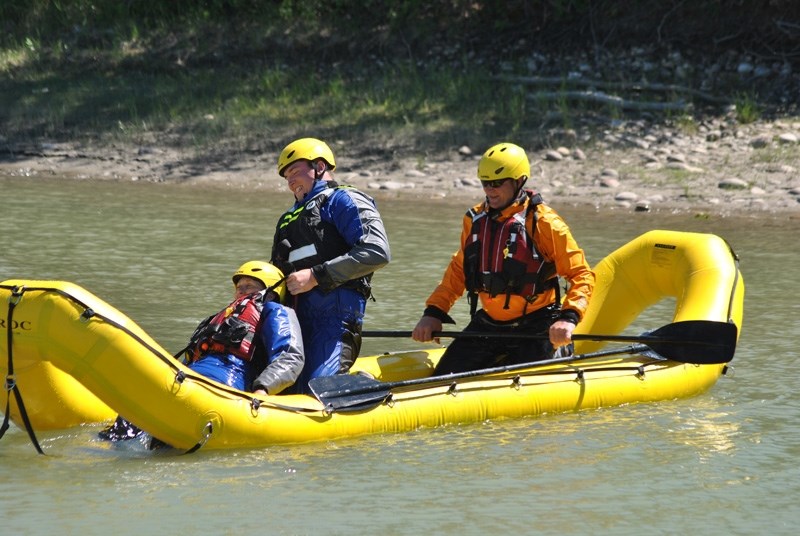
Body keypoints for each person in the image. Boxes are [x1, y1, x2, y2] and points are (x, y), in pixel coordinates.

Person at [411, 142, 595, 375]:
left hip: (537, 325)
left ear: (519, 181)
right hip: (489, 324)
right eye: (485, 182)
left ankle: (560, 350)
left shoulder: (545, 223)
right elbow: (459, 269)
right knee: (441, 378)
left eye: (497, 183)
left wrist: (569, 317)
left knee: (525, 380)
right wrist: (434, 312)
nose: (490, 189)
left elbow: (581, 274)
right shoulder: (475, 219)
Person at [99, 261, 304, 441]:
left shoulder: (276, 311)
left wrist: (263, 389)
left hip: (228, 380)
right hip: (192, 375)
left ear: (270, 291)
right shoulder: (222, 316)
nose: (241, 291)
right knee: (135, 406)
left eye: (249, 286)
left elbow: (290, 356)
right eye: (239, 287)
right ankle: (114, 443)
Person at [271, 137, 391, 394]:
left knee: (316, 392)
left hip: (335, 320)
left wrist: (315, 276)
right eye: (285, 177)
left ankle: (360, 383)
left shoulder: (344, 199)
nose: (290, 181)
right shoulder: (286, 220)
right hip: (294, 324)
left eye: (294, 171)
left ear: (320, 166)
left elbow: (377, 251)